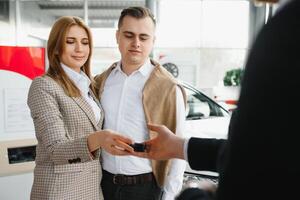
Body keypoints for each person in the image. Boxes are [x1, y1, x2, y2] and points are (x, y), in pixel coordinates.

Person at [132, 0, 300, 199]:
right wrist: (179, 146)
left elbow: (257, 172)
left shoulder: (289, 29)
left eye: (144, 37)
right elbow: (264, 154)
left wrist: (191, 194)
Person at [27, 16, 133, 200]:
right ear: (56, 48)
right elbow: (56, 149)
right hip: (60, 191)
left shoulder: (89, 86)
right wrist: (99, 138)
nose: (79, 49)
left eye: (85, 43)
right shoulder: (44, 86)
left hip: (92, 189)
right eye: (70, 42)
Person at [94, 6, 187, 200]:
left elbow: (178, 149)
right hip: (103, 185)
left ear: (153, 41)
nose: (136, 43)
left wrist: (169, 196)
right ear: (117, 36)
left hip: (145, 189)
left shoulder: (169, 87)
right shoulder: (101, 81)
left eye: (143, 37)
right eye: (129, 35)